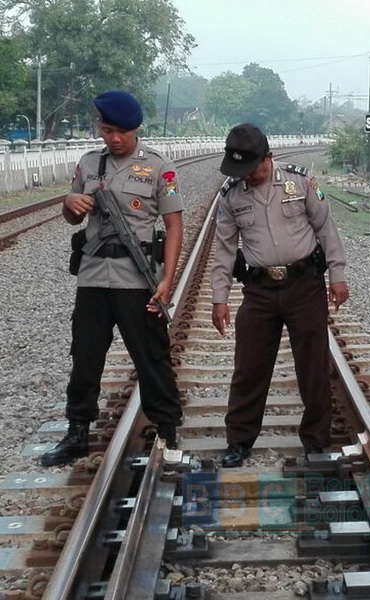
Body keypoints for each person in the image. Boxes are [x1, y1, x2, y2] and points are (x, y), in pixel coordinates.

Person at [41, 90, 183, 467]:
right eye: (107, 130)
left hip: (136, 280)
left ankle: (167, 429)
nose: (114, 138)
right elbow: (74, 215)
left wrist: (168, 278)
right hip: (92, 277)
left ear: (135, 130)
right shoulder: (89, 164)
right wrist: (68, 204)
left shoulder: (158, 167)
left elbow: (173, 225)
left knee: (151, 356)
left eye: (121, 131)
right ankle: (76, 433)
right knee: (85, 357)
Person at [211, 123, 349, 468]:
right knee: (249, 368)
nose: (247, 176)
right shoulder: (231, 196)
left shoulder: (299, 182)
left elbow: (325, 229)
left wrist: (338, 274)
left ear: (268, 158)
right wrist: (219, 297)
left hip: (305, 286)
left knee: (313, 367)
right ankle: (239, 440)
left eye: (252, 167)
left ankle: (316, 440)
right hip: (259, 291)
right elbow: (224, 249)